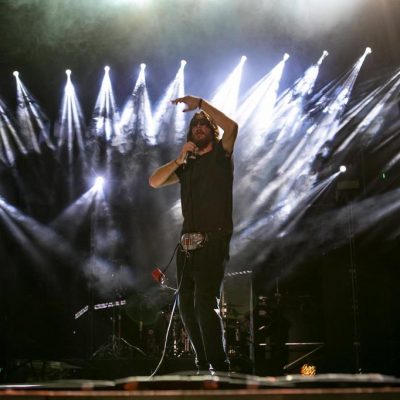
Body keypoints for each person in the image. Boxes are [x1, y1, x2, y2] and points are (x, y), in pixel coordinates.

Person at [149, 95, 238, 373]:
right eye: (194, 125)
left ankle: (219, 365)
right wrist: (178, 160)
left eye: (203, 124)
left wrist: (200, 104)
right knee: (186, 306)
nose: (198, 127)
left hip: (213, 241)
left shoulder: (221, 157)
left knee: (204, 304)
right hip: (187, 247)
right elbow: (154, 181)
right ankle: (202, 362)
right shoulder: (186, 166)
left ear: (212, 131)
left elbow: (232, 127)